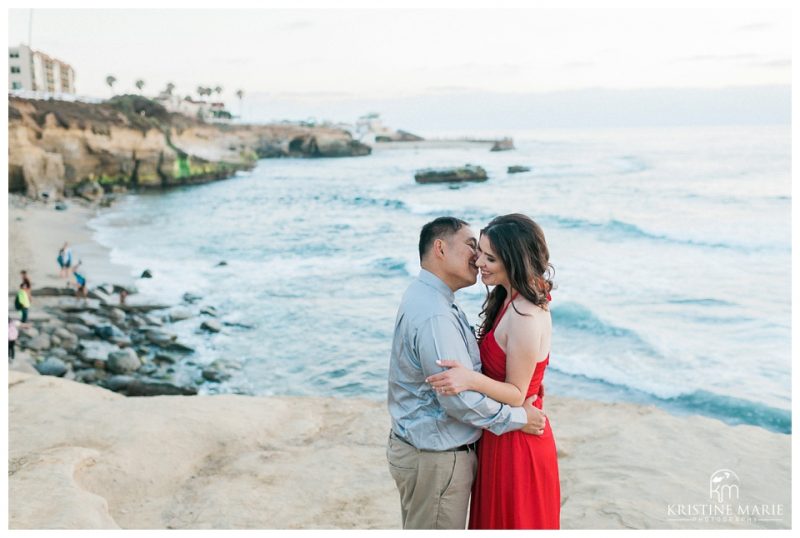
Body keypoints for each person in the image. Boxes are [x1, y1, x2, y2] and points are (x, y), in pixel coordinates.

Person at [387, 216, 547, 530]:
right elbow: (457, 401)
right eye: (473, 248)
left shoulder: (431, 297)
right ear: (440, 248)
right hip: (437, 457)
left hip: (435, 451)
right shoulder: (435, 313)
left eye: (487, 255)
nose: (477, 259)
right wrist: (519, 418)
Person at [425, 213, 560, 529]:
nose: (478, 262)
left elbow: (515, 393)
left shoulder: (524, 316)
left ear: (514, 260)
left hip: (517, 444)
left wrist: (468, 377)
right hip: (502, 433)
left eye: (490, 257)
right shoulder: (507, 298)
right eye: (479, 252)